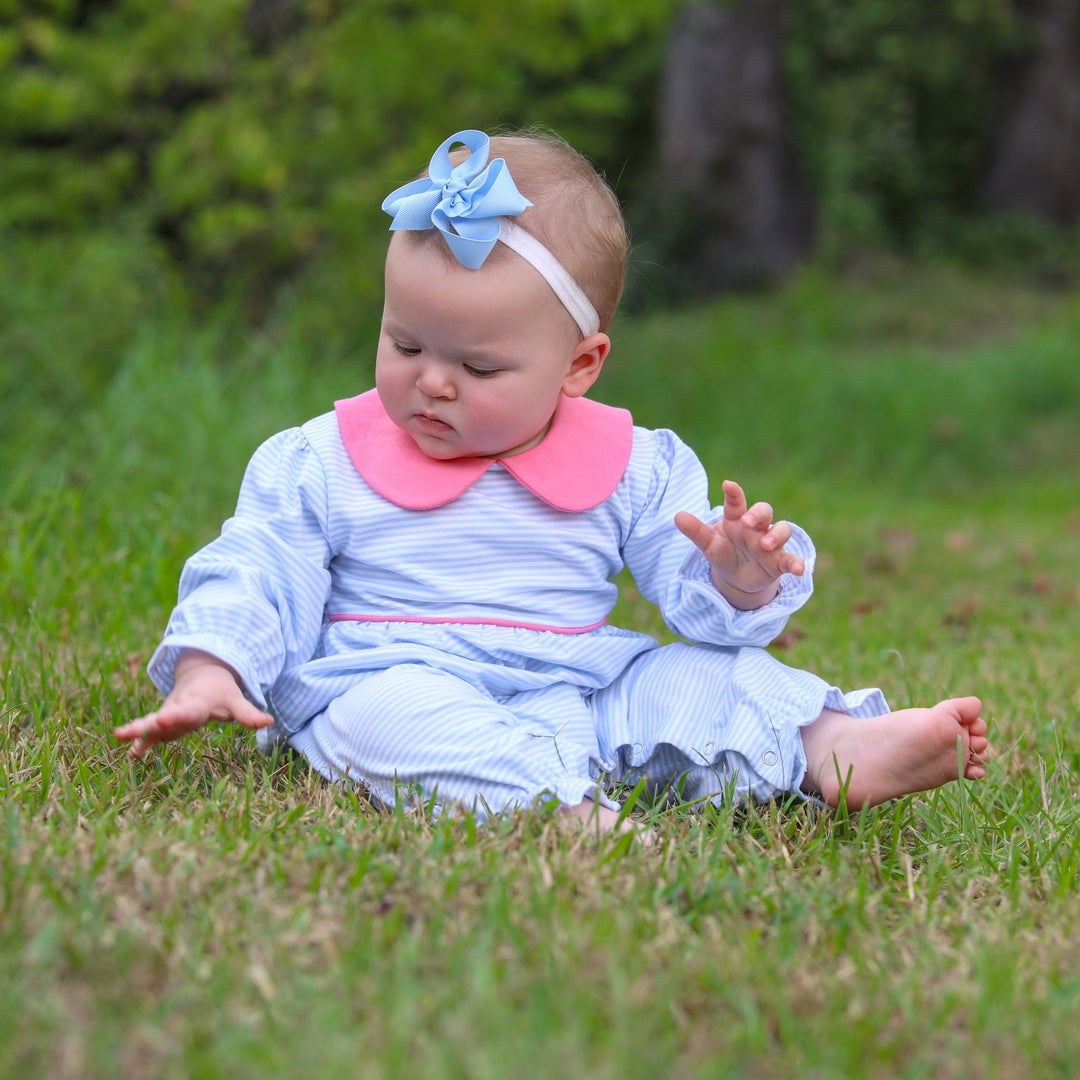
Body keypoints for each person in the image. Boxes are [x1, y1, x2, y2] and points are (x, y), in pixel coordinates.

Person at [114, 128, 990, 832]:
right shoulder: (322, 459)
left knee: (699, 682)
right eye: (406, 344)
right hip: (393, 671)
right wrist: (210, 663)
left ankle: (833, 746)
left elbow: (693, 603)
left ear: (580, 366)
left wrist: (737, 574)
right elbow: (258, 566)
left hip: (577, 684)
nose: (432, 381)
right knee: (385, 724)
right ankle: (564, 813)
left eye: (479, 366)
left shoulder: (636, 465)